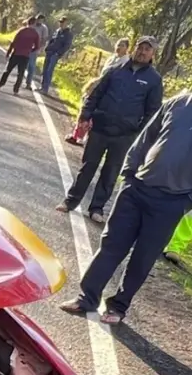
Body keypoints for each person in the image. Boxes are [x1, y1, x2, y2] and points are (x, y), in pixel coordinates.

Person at [60, 90, 192, 323]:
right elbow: (146, 137)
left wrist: (187, 201)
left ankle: (118, 307)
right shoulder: (178, 102)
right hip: (136, 188)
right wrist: (130, 173)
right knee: (111, 244)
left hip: (173, 200)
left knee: (143, 257)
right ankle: (87, 298)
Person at [56, 36, 163, 223]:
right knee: (87, 167)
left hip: (124, 136)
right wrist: (85, 116)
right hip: (100, 128)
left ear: (153, 54)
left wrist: (138, 132)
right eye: (140, 47)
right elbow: (95, 95)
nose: (143, 51)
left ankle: (96, 208)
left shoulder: (154, 80)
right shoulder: (115, 71)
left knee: (110, 173)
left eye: (148, 49)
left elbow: (152, 112)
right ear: (135, 49)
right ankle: (70, 201)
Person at [63, 37, 131, 145]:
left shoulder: (126, 62)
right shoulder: (112, 58)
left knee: (94, 114)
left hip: (108, 91)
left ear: (127, 48)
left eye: (122, 45)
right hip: (98, 86)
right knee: (85, 108)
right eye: (118, 44)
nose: (118, 47)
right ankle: (76, 135)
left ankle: (84, 138)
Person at [0, 17, 41, 94]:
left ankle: (0, 84)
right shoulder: (35, 34)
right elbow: (37, 46)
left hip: (16, 53)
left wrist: (8, 52)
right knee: (20, 73)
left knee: (7, 70)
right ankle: (16, 90)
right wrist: (30, 50)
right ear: (34, 24)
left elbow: (13, 42)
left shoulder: (21, 31)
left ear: (28, 22)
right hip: (25, 56)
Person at [40, 17, 73, 94]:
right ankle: (42, 86)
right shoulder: (57, 31)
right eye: (60, 22)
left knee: (49, 71)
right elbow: (52, 40)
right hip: (49, 52)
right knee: (45, 69)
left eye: (62, 22)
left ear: (66, 23)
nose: (61, 24)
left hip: (55, 54)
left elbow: (67, 46)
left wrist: (58, 53)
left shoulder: (68, 34)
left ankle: (45, 89)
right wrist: (47, 48)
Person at [26, 13, 49, 90]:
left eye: (41, 20)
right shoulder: (33, 25)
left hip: (35, 49)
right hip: (27, 47)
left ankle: (28, 83)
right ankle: (19, 81)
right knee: (24, 64)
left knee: (31, 66)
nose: (39, 21)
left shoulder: (44, 28)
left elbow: (44, 39)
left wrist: (40, 48)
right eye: (38, 19)